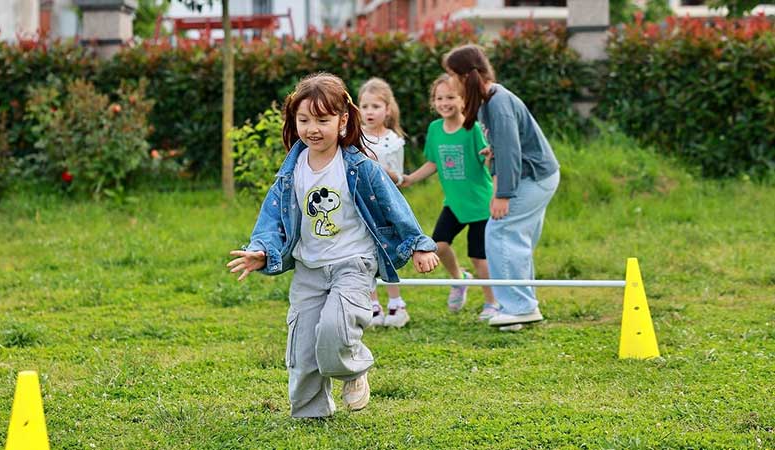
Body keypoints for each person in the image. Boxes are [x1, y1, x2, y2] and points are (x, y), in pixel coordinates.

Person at [227, 73, 439, 418]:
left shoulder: (358, 166)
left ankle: (353, 370)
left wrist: (418, 244)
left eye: (322, 120)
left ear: (342, 120)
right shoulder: (291, 172)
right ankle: (312, 412)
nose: (313, 128)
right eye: (304, 120)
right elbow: (272, 219)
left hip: (353, 264)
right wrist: (263, 250)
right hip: (309, 268)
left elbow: (394, 205)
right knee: (303, 344)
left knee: (335, 329)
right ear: (293, 121)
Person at [442, 44, 560, 328]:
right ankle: (521, 307)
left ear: (463, 75)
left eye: (450, 75)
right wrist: (491, 151)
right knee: (515, 238)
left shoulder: (497, 102)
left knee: (500, 231)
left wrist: (502, 195)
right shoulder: (487, 100)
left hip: (533, 177)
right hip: (537, 175)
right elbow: (504, 146)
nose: (449, 81)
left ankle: (518, 307)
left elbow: (510, 153)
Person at [401, 74, 500, 321]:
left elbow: (487, 162)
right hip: (454, 204)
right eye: (439, 98)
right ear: (433, 102)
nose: (445, 103)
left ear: (463, 100)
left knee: (479, 258)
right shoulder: (435, 129)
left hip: (481, 204)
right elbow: (433, 162)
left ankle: (492, 303)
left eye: (451, 97)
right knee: (438, 246)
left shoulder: (473, 128)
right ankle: (459, 279)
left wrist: (490, 157)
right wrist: (410, 178)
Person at [358, 77, 410, 328]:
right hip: (360, 207)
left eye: (375, 107)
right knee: (364, 255)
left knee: (387, 254)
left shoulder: (393, 140)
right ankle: (372, 305)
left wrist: (384, 171)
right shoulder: (353, 137)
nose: (369, 112)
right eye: (365, 106)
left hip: (386, 206)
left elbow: (399, 177)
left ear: (387, 110)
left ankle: (396, 304)